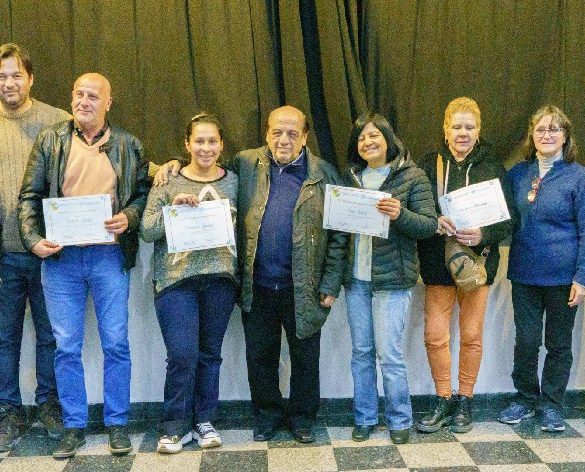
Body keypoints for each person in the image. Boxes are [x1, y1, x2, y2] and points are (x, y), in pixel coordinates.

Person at [155, 105, 347, 443]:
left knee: (305, 358)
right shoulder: (245, 164)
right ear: (266, 134)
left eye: (292, 133)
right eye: (277, 132)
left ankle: (303, 419)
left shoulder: (324, 173)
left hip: (304, 286)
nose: (284, 139)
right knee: (260, 358)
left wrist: (331, 282)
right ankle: (267, 416)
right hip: (256, 284)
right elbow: (205, 165)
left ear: (305, 137)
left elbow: (339, 233)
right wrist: (170, 164)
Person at [18, 73, 150, 458]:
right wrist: (32, 239)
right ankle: (73, 425)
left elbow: (142, 193)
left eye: (93, 96)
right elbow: (30, 196)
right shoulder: (51, 140)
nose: (84, 102)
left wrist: (130, 216)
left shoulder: (128, 144)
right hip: (61, 259)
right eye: (79, 94)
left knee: (116, 343)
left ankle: (117, 424)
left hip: (109, 256)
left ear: (108, 102)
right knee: (66, 347)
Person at [141, 113, 238, 453]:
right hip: (176, 282)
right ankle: (174, 426)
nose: (205, 148)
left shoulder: (234, 181)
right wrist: (172, 208)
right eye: (199, 141)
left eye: (212, 141)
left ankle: (204, 421)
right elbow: (147, 230)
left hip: (220, 280)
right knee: (182, 355)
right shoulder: (167, 180)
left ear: (221, 145)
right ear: (187, 144)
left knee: (210, 355)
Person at [416, 97, 509, 434]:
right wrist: (434, 222)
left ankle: (465, 400)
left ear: (479, 130)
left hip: (477, 266)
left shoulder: (492, 166)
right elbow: (415, 208)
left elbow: (509, 219)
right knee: (434, 335)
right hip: (437, 264)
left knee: (471, 335)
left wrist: (484, 234)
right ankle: (443, 398)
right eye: (457, 126)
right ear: (445, 129)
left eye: (469, 127)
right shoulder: (428, 164)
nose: (463, 133)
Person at [343, 112, 436, 444]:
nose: (368, 142)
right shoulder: (350, 178)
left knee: (390, 355)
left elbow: (428, 225)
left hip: (393, 280)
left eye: (374, 135)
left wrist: (400, 214)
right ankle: (364, 417)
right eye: (361, 138)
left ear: (388, 139)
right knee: (361, 353)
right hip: (356, 280)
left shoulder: (413, 177)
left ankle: (399, 419)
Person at [0, 43, 70, 452]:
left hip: (50, 250)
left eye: (15, 75)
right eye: (1, 76)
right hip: (4, 254)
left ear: (31, 78)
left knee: (51, 336)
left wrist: (163, 167)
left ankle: (49, 405)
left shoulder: (57, 121)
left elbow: (99, 156)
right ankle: (7, 411)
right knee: (4, 337)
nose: (8, 83)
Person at [499, 105, 585, 431]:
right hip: (524, 273)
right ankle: (525, 398)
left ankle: (551, 405)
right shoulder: (517, 175)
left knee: (559, 344)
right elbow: (500, 217)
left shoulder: (579, 177)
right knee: (526, 341)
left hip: (564, 278)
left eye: (554, 129)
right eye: (540, 129)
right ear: (531, 136)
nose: (546, 135)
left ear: (565, 136)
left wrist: (582, 277)